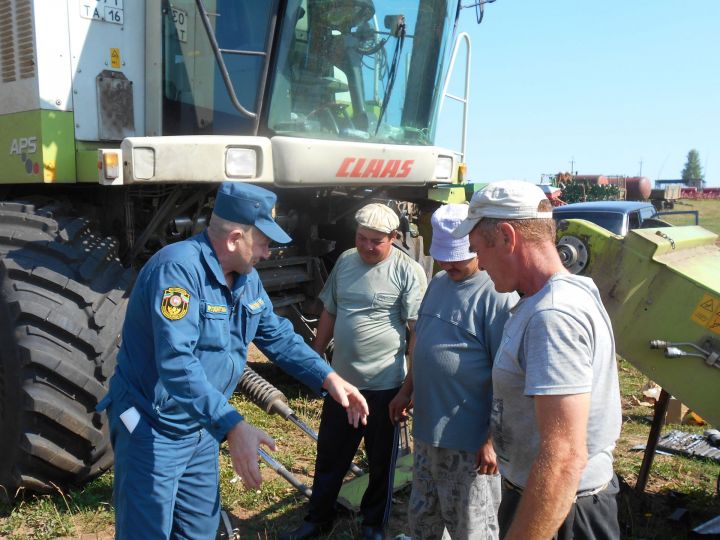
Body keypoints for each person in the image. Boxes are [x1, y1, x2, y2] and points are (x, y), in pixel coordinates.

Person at [97, 182, 369, 540]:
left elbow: (276, 335)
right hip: (153, 426)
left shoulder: (247, 279)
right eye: (264, 242)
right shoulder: (177, 272)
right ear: (234, 238)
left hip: (202, 426)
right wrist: (233, 425)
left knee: (198, 530)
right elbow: (176, 364)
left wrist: (327, 376)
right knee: (147, 532)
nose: (268, 253)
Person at [451, 180, 622, 539]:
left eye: (480, 250)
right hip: (547, 500)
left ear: (508, 238)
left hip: (560, 511)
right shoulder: (562, 294)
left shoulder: (553, 315)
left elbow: (563, 459)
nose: (479, 264)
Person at [282, 203, 428, 540]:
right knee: (330, 456)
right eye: (361, 238)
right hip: (342, 385)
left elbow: (415, 332)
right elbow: (330, 311)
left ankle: (373, 525)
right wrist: (316, 358)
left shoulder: (408, 271)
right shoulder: (347, 261)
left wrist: (408, 387)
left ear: (394, 238)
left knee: (380, 463)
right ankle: (319, 518)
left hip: (384, 387)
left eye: (375, 241)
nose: (365, 246)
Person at [389, 204, 518, 539]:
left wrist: (492, 439)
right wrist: (406, 390)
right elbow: (422, 340)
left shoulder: (496, 295)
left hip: (470, 446)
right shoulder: (438, 283)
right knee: (423, 522)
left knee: (471, 528)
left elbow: (507, 377)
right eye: (443, 256)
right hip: (428, 434)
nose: (447, 264)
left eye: (456, 256)